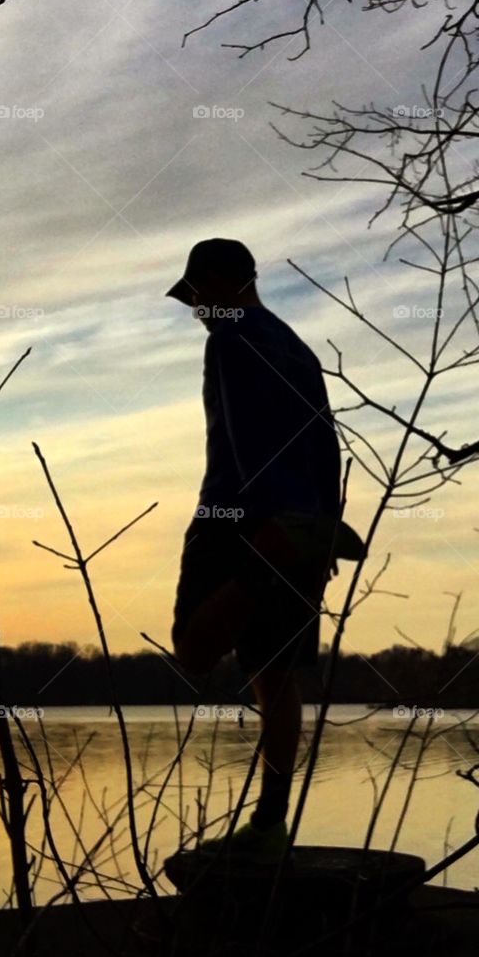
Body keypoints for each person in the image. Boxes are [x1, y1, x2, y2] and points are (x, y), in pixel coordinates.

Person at [166, 238, 342, 859]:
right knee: (274, 671)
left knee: (192, 647)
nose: (195, 312)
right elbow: (326, 442)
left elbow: (243, 440)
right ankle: (269, 824)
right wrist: (323, 524)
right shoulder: (297, 347)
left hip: (239, 516)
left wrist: (261, 533)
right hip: (308, 523)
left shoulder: (231, 339)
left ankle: (259, 574)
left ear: (217, 282)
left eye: (195, 297)